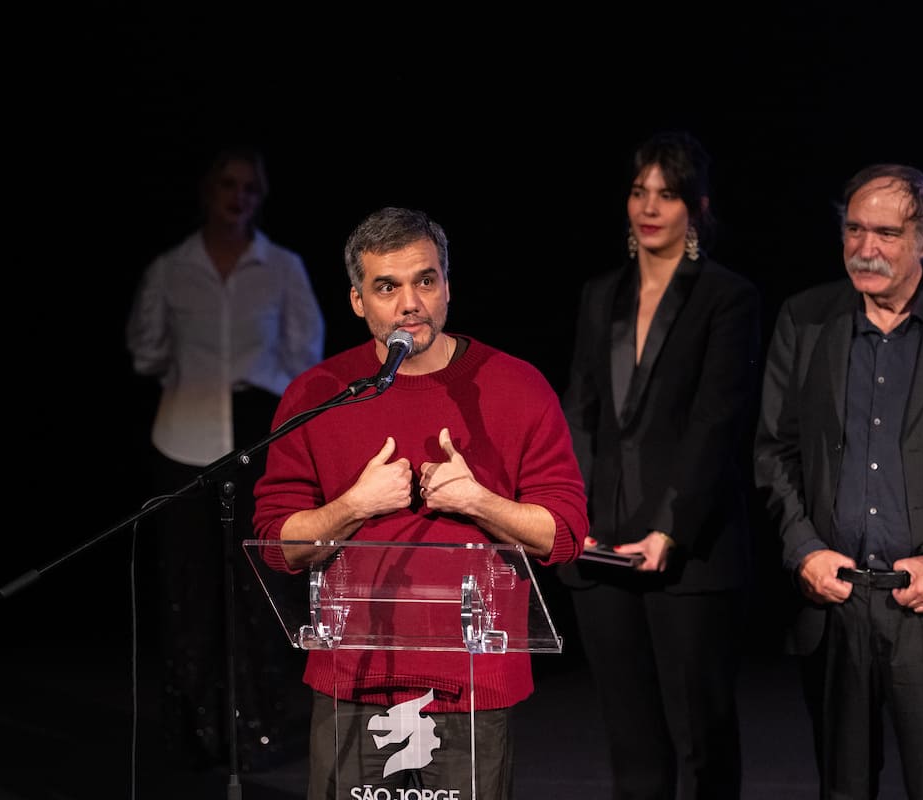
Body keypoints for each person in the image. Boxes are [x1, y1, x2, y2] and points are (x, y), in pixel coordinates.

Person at [252, 206, 589, 799]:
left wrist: (481, 502)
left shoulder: (516, 386)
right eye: (387, 287)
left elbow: (561, 534)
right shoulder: (319, 395)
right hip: (352, 678)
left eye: (425, 281)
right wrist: (353, 505)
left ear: (447, 287)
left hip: (471, 684)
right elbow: (279, 545)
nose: (410, 303)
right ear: (358, 301)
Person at [753, 163, 923, 799]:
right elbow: (774, 450)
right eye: (854, 229)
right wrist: (803, 549)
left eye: (885, 232)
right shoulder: (806, 318)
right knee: (842, 788)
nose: (865, 248)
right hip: (836, 603)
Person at [557, 130, 762, 799]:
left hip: (691, 552)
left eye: (666, 194)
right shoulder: (599, 295)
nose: (649, 207)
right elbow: (581, 413)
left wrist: (670, 527)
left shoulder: (727, 298)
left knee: (701, 737)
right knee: (632, 742)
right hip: (603, 547)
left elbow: (717, 422)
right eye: (639, 192)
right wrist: (575, 518)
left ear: (695, 206)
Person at [124, 144, 326, 771]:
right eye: (228, 186)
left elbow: (306, 354)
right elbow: (146, 351)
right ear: (208, 190)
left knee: (257, 584)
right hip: (182, 438)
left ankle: (258, 724)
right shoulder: (171, 266)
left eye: (250, 189)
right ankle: (195, 726)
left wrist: (268, 400)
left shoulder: (283, 266)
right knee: (188, 587)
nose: (238, 198)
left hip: (256, 439)